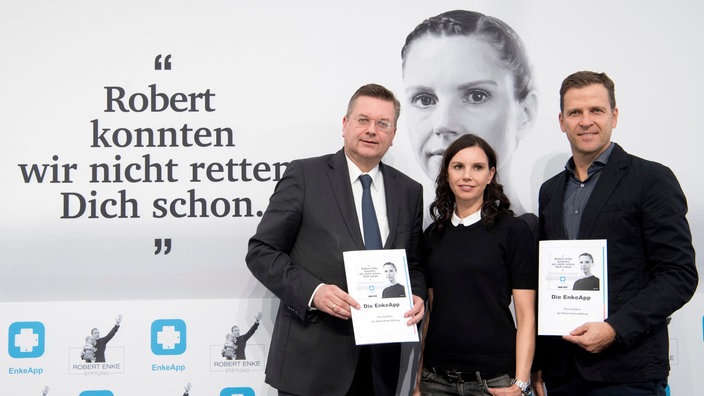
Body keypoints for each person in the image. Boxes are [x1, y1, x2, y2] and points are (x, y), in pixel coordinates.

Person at [246, 83, 427, 396]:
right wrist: (313, 292)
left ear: (393, 134)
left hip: (379, 367)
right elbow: (261, 252)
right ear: (345, 125)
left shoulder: (409, 192)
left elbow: (413, 263)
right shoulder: (305, 176)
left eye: (382, 124)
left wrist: (418, 296)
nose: (372, 130)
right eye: (363, 120)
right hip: (311, 363)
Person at [533, 71, 698, 396]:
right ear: (561, 121)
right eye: (575, 112)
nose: (586, 121)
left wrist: (614, 329)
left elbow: (679, 275)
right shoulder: (550, 191)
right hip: (562, 370)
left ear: (615, 116)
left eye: (596, 110)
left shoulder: (651, 179)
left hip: (627, 370)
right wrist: (539, 359)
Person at [415, 134, 537, 396]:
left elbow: (526, 316)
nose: (467, 176)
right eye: (458, 166)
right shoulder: (433, 236)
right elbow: (431, 313)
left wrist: (521, 383)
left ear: (491, 174)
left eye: (477, 167)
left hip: (494, 381)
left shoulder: (513, 231)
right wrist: (417, 380)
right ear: (446, 173)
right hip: (435, 380)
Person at [401, 9, 538, 214]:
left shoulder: (526, 235)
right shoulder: (423, 238)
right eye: (424, 99)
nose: (443, 123)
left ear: (525, 113)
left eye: (476, 96)